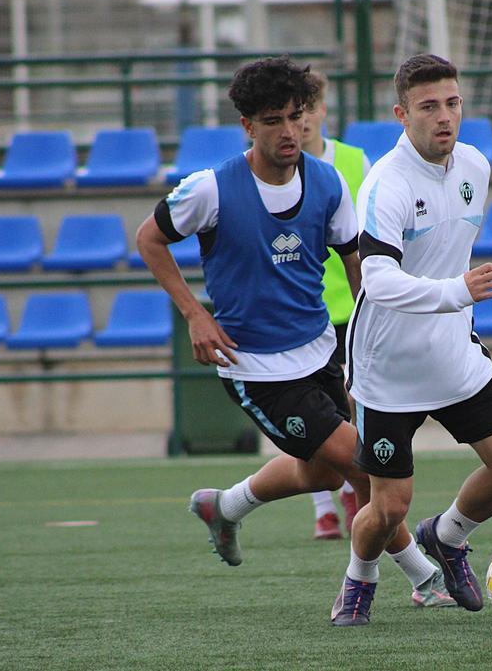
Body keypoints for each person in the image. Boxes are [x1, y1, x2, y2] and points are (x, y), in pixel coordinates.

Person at [134, 56, 453, 614]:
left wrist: (376, 341)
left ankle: (226, 506)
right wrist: (195, 314)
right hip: (256, 368)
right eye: (274, 119)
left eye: (296, 116)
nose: (290, 130)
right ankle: (424, 576)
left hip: (320, 352)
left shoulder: (327, 180)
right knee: (363, 461)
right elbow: (149, 239)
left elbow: (358, 265)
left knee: (325, 471)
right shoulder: (210, 190)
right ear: (248, 127)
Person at [331, 53, 492, 625]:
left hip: (453, 354)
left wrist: (456, 299)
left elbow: (451, 254)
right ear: (402, 114)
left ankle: (447, 538)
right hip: (388, 366)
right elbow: (376, 278)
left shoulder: (474, 166)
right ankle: (359, 580)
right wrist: (457, 291)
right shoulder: (385, 185)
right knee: (388, 505)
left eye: (452, 103)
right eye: (428, 107)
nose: (444, 117)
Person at [301, 70, 370, 541]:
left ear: (323, 110)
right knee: (311, 412)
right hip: (304, 311)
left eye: (308, 109)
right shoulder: (270, 171)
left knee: (353, 403)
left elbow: (364, 231)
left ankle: (351, 484)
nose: (300, 121)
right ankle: (323, 506)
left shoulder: (352, 160)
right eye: (291, 112)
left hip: (351, 306)